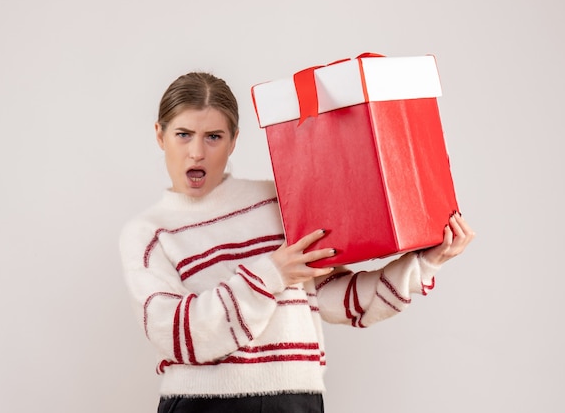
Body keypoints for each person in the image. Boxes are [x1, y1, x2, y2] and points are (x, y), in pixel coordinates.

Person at [119, 72, 475, 413]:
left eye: (213, 136)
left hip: (296, 401)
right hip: (204, 405)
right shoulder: (148, 234)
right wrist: (271, 274)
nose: (197, 152)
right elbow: (181, 335)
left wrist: (426, 262)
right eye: (183, 134)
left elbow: (340, 300)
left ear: (234, 140)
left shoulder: (280, 203)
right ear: (159, 135)